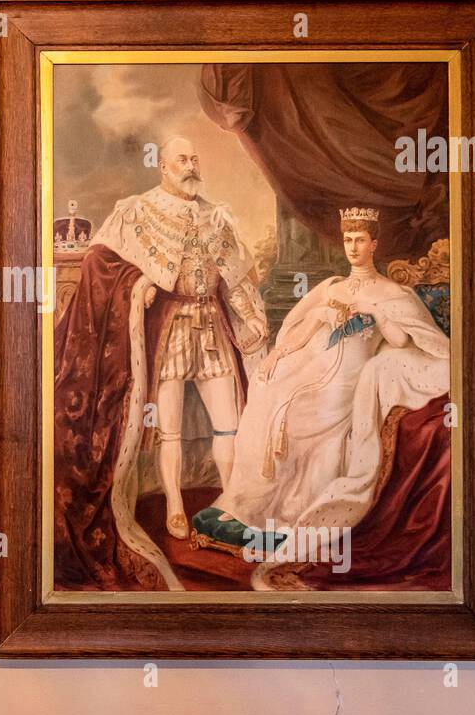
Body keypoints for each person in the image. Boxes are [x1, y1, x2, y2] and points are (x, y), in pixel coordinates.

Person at [53, 135, 266, 591]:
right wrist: (141, 280)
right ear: (163, 167)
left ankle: (228, 505)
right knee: (167, 428)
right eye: (182, 160)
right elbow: (100, 262)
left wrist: (250, 317)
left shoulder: (216, 215)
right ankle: (173, 503)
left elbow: (237, 276)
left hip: (212, 327)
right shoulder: (136, 210)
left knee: (229, 424)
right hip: (169, 332)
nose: (191, 166)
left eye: (195, 158)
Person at [192, 207, 449, 552]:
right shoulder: (332, 287)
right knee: (269, 393)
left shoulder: (393, 294)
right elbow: (304, 330)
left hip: (348, 380)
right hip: (316, 367)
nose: (353, 247)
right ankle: (246, 505)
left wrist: (376, 314)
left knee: (302, 414)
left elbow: (404, 341)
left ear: (374, 244)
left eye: (360, 240)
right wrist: (277, 356)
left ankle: (288, 514)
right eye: (347, 240)